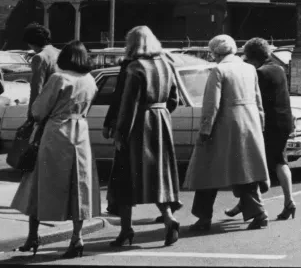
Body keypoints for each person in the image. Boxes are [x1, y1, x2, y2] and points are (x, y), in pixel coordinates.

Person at [11, 41, 101, 259]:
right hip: (80, 131)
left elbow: (38, 111)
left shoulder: (59, 78)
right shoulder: (89, 80)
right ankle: (77, 237)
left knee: (39, 183)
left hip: (56, 132)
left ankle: (33, 236)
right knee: (78, 185)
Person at [183, 35, 271, 231]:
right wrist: (260, 124)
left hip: (224, 125)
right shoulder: (249, 69)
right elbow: (258, 100)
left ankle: (203, 217)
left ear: (215, 53)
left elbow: (211, 105)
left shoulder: (219, 70)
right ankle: (259, 213)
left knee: (206, 171)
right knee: (246, 172)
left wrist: (205, 130)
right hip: (249, 124)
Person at [107, 26, 183, 248]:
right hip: (161, 122)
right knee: (157, 175)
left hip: (139, 124)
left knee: (124, 176)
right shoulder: (167, 64)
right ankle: (169, 219)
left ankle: (126, 229)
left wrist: (120, 133)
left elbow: (129, 105)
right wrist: (160, 113)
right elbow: (174, 100)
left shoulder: (135, 67)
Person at [224, 38, 296, 221]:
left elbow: (253, 101)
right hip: (284, 121)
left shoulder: (259, 73)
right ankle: (289, 201)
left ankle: (250, 205)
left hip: (268, 124)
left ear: (252, 56)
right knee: (281, 161)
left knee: (254, 164)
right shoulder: (279, 69)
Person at [23, 23, 58, 116]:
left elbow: (37, 88)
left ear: (30, 42)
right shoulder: (59, 53)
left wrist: (31, 114)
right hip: (62, 106)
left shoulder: (39, 58)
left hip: (47, 109)